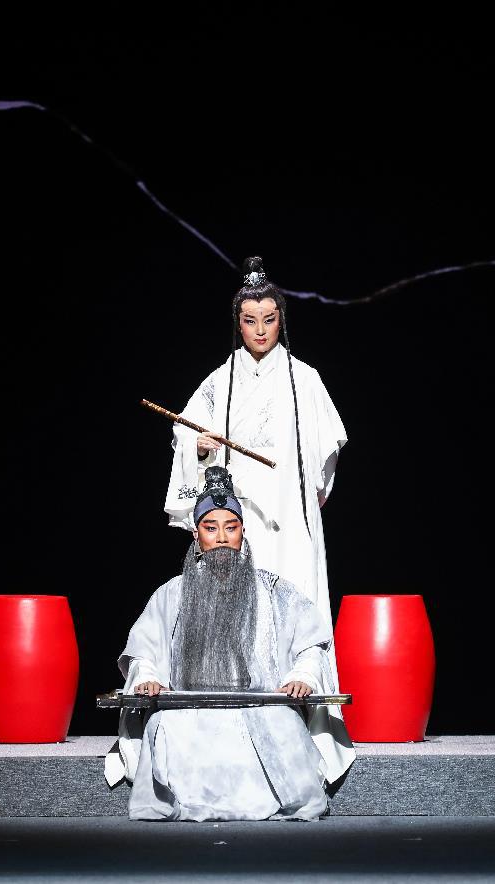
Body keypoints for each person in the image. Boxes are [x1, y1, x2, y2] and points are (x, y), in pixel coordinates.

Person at [105, 467, 355, 821]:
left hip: (261, 707)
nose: (222, 537)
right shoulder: (171, 594)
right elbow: (143, 651)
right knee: (163, 726)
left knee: (285, 723)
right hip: (189, 710)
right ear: (196, 535)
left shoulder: (274, 591)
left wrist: (303, 676)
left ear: (242, 532)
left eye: (231, 527)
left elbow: (311, 645)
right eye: (211, 528)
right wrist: (147, 676)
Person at [164, 255, 346, 635]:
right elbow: (186, 431)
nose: (260, 331)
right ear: (238, 323)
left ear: (281, 319)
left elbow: (327, 449)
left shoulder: (305, 380)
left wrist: (311, 496)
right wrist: (199, 447)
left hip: (289, 510)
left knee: (294, 601)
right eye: (250, 321)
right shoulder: (220, 382)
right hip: (239, 514)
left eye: (269, 319)